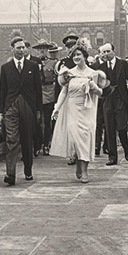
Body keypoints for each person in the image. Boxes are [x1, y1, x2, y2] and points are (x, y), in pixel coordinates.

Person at [49, 40, 105, 183]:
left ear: (85, 56)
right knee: (75, 139)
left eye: (78, 54)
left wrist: (93, 86)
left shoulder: (93, 73)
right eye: (74, 55)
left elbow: (100, 93)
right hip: (72, 109)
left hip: (87, 109)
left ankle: (84, 170)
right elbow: (63, 92)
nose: (76, 57)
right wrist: (57, 108)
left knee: (85, 139)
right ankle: (79, 163)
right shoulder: (68, 73)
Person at [0, 36, 42, 185]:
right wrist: (1, 112)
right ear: (13, 49)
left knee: (27, 139)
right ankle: (10, 174)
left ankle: (28, 170)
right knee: (12, 140)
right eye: (19, 48)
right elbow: (2, 91)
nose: (22, 50)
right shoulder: (6, 68)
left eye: (23, 47)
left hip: (28, 106)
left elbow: (38, 90)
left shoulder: (32, 66)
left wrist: (38, 111)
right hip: (11, 107)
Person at [98, 43, 128, 166]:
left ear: (113, 52)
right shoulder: (101, 67)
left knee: (121, 127)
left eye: (108, 51)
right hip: (108, 99)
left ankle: (126, 148)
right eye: (103, 52)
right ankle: (112, 157)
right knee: (109, 128)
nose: (106, 54)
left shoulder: (123, 64)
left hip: (121, 97)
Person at [54, 34, 79, 165]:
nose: (71, 48)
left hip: (79, 97)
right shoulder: (63, 63)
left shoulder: (81, 61)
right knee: (69, 126)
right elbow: (59, 85)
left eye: (73, 45)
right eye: (68, 46)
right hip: (67, 97)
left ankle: (79, 151)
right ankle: (72, 152)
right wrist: (57, 103)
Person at [40, 42, 61, 155]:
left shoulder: (55, 63)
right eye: (41, 49)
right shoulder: (37, 62)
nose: (42, 51)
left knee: (48, 121)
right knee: (39, 122)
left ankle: (47, 144)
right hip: (38, 93)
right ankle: (39, 144)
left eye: (44, 49)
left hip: (50, 94)